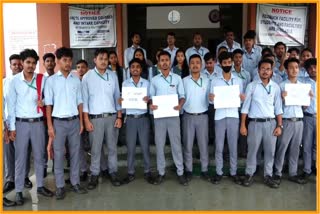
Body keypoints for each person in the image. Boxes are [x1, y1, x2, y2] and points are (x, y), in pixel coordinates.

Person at [8, 49, 54, 205]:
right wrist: (12, 127)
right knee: (20, 159)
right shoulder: (14, 81)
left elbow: (49, 99)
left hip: (38, 123)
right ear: (22, 63)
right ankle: (19, 190)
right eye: (28, 62)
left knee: (40, 156)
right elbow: (11, 105)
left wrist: (44, 101)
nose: (31, 65)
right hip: (20, 124)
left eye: (34, 63)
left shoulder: (42, 79)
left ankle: (40, 186)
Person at [45, 47, 87, 200]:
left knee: (76, 153)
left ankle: (75, 183)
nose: (68, 63)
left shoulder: (76, 79)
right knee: (59, 154)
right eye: (65, 60)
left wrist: (81, 122)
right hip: (58, 123)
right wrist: (50, 126)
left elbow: (80, 102)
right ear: (58, 61)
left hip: (75, 121)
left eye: (70, 60)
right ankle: (60, 186)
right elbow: (48, 105)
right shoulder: (51, 81)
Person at [82, 48, 123, 190]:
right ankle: (94, 174)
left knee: (112, 148)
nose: (104, 61)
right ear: (95, 60)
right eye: (101, 58)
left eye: (106, 59)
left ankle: (113, 172)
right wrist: (86, 120)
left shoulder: (113, 75)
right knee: (95, 149)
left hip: (111, 118)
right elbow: (85, 101)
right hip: (95, 119)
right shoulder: (87, 77)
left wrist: (119, 116)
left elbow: (117, 97)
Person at [240, 58, 283, 188]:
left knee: (270, 151)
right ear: (258, 70)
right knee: (252, 150)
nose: (265, 71)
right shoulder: (251, 86)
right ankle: (249, 174)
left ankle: (268, 175)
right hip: (254, 124)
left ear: (271, 71)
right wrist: (243, 124)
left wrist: (279, 125)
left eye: (268, 69)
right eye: (263, 69)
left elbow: (278, 108)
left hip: (270, 123)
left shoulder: (275, 87)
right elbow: (245, 107)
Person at [149, 51, 188, 186]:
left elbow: (182, 96)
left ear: (170, 62)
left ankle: (180, 172)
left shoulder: (177, 78)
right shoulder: (154, 80)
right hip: (159, 117)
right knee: (159, 145)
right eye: (162, 60)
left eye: (167, 60)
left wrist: (180, 105)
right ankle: (161, 173)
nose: (164, 62)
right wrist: (150, 105)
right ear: (158, 63)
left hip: (173, 116)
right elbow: (150, 98)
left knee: (176, 145)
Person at [209, 52, 244, 184]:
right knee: (219, 146)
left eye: (229, 62)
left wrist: (242, 98)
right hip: (219, 116)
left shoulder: (238, 81)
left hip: (234, 115)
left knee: (233, 145)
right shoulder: (215, 81)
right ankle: (219, 172)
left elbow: (241, 101)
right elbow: (212, 102)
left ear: (232, 63)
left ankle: (233, 172)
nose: (227, 65)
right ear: (220, 64)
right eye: (225, 63)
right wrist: (211, 99)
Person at [273, 58, 309, 185]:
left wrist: (307, 98)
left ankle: (293, 173)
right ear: (287, 70)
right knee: (282, 147)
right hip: (286, 121)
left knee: (295, 149)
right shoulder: (281, 86)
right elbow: (277, 107)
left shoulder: (302, 86)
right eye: (291, 67)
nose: (294, 70)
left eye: (296, 67)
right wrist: (282, 99)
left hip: (299, 121)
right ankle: (277, 172)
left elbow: (304, 107)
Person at [119, 58, 153, 184]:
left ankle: (148, 171)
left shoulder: (147, 83)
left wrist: (148, 100)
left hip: (143, 118)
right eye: (132, 67)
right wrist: (121, 101)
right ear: (130, 69)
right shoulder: (125, 84)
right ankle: (130, 172)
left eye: (137, 67)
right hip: (131, 119)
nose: (135, 69)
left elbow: (151, 100)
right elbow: (123, 101)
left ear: (141, 69)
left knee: (145, 147)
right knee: (131, 147)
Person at [3, 54, 32, 194]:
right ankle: (10, 179)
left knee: (24, 150)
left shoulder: (26, 80)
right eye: (14, 64)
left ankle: (24, 177)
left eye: (18, 64)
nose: (17, 66)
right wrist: (5, 124)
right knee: (9, 152)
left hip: (21, 121)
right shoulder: (5, 82)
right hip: (8, 122)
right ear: (10, 66)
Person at [182, 54, 210, 182]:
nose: (195, 65)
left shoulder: (207, 80)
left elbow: (211, 97)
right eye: (192, 62)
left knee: (203, 145)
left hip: (202, 116)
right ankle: (188, 170)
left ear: (201, 65)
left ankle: (205, 170)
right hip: (188, 116)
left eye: (197, 62)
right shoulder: (184, 81)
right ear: (189, 65)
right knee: (187, 145)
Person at [301, 58, 317, 181]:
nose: (313, 70)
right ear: (306, 70)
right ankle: (307, 170)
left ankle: (316, 167)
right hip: (308, 117)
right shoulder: (303, 83)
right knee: (306, 144)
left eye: (315, 67)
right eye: (310, 68)